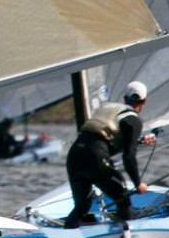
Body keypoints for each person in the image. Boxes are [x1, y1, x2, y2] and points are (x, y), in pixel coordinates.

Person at [62, 81, 155, 229]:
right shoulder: (134, 120)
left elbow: (104, 138)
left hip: (75, 154)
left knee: (81, 207)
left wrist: (139, 141)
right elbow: (128, 156)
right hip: (96, 157)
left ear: (125, 99)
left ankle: (65, 236)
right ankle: (126, 237)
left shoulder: (108, 108)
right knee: (122, 199)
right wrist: (138, 184)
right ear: (143, 102)